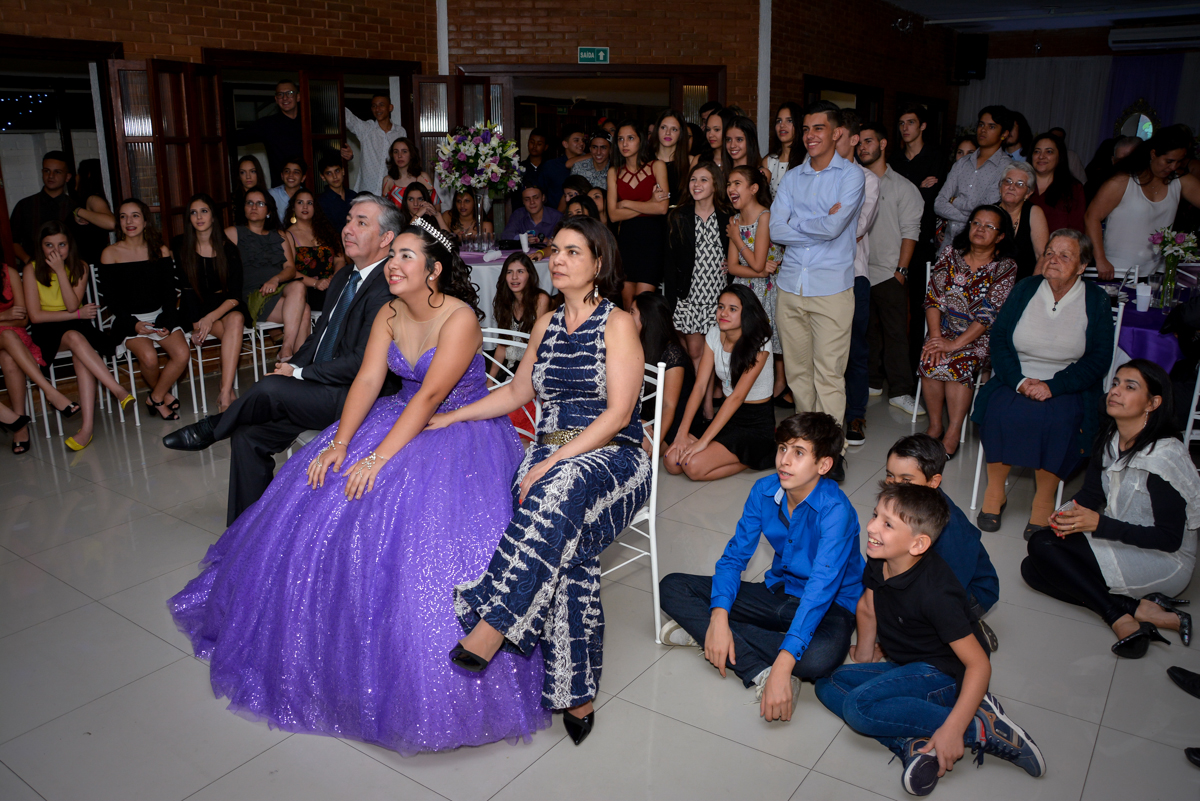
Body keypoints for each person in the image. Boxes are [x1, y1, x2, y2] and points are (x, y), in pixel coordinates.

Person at [168, 217, 548, 755]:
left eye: (407, 256)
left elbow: (429, 397)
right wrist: (344, 443)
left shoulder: (460, 318)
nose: (394, 264)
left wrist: (379, 456)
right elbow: (369, 379)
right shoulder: (388, 311)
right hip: (397, 414)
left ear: (434, 271)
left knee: (403, 522)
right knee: (327, 485)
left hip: (455, 430)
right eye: (392, 256)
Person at [441, 216, 652, 746]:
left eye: (572, 251)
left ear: (598, 263)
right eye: (554, 250)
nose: (557, 259)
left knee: (558, 488)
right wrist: (452, 416)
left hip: (614, 457)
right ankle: (575, 691)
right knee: (566, 546)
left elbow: (618, 414)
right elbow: (518, 394)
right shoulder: (545, 324)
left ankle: (494, 620)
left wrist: (554, 460)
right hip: (548, 458)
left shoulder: (618, 324)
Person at [163, 194, 406, 523]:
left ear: (386, 238)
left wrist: (299, 374)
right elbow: (319, 337)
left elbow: (361, 363)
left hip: (359, 397)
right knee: (247, 437)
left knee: (270, 388)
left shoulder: (387, 286)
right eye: (349, 220)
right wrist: (293, 364)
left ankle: (213, 427)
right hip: (320, 389)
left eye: (361, 223)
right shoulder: (344, 277)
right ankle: (248, 527)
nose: (348, 229)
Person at [815, 483, 1046, 797]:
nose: (871, 527)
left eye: (887, 524)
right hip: (909, 664)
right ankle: (911, 743)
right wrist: (864, 655)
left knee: (858, 708)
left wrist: (953, 729)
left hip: (945, 673)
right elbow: (868, 606)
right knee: (828, 683)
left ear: (918, 544)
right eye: (875, 515)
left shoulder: (937, 593)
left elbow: (978, 665)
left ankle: (978, 728)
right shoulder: (881, 556)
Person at [658, 412, 862, 718]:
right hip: (779, 591)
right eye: (782, 448)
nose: (784, 461)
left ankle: (705, 632)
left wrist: (784, 666)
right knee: (672, 587)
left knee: (818, 659)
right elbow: (734, 558)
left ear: (823, 465)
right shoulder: (764, 490)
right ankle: (755, 666)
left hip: (829, 607)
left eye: (798, 452)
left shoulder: (836, 511)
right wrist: (719, 617)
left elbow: (820, 590)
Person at [1024, 359, 1200, 658]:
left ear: (1153, 403)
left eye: (1130, 387)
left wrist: (1099, 524)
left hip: (1164, 560)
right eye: (1116, 383)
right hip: (1122, 536)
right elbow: (1092, 493)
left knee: (1042, 547)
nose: (1115, 391)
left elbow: (1169, 540)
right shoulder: (1110, 437)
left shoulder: (1163, 458)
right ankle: (1139, 609)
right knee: (1032, 569)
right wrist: (1066, 513)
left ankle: (1118, 618)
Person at [972, 229, 1114, 538]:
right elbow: (999, 341)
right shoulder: (1026, 288)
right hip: (1017, 376)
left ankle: (1043, 500)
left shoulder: (1095, 299)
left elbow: (1100, 357)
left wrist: (1054, 386)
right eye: (1049, 253)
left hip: (1068, 383)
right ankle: (995, 492)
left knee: (1061, 421)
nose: (1053, 260)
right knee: (998, 412)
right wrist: (1020, 382)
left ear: (1082, 266)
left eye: (1065, 255)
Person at [769, 100, 866, 482]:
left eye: (818, 128)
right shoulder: (793, 177)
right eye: (806, 129)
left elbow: (834, 228)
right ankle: (806, 448)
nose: (810, 135)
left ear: (837, 132)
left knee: (828, 375)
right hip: (791, 285)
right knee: (798, 375)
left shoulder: (851, 176)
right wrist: (820, 220)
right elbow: (776, 229)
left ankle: (830, 454)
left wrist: (801, 222)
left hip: (831, 288)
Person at [885, 434, 1001, 651]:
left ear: (933, 482)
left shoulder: (948, 527)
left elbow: (951, 586)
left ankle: (972, 629)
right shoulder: (902, 505)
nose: (895, 486)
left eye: (906, 480)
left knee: (920, 625)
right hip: (928, 575)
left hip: (970, 591)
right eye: (890, 475)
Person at [919, 205, 1017, 459]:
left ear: (1000, 236)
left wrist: (954, 345)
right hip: (945, 329)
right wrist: (937, 337)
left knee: (959, 362)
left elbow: (988, 315)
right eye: (976, 223)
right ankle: (935, 426)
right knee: (930, 356)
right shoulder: (950, 255)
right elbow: (933, 299)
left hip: (982, 336)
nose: (980, 229)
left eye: (989, 226)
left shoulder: (1005, 267)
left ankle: (953, 431)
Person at [23, 222, 133, 450]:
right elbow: (35, 316)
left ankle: (87, 428)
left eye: (61, 244)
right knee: (75, 338)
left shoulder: (80, 266)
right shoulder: (31, 269)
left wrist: (61, 272)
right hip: (47, 330)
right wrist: (76, 314)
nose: (56, 250)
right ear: (41, 246)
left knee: (79, 347)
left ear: (70, 245)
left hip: (76, 326)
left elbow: (73, 304)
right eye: (49, 245)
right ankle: (117, 390)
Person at [666, 285, 775, 480]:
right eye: (721, 307)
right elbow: (700, 387)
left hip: (755, 424)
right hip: (727, 417)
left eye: (732, 309)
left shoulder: (760, 342)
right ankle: (742, 455)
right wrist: (682, 433)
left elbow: (737, 397)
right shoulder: (714, 334)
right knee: (672, 461)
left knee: (692, 467)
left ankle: (758, 456)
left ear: (746, 313)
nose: (723, 313)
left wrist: (703, 442)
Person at [99, 199, 190, 422]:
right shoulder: (110, 253)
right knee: (149, 358)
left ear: (146, 221)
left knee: (182, 354)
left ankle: (156, 397)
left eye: (135, 215)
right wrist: (134, 324)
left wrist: (166, 319)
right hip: (128, 320)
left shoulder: (160, 250)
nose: (129, 221)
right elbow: (112, 301)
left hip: (159, 315)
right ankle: (163, 397)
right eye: (123, 216)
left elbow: (169, 293)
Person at [858, 121, 924, 414]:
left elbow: (911, 232)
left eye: (869, 141)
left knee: (896, 335)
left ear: (883, 144)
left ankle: (900, 391)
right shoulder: (853, 181)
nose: (863, 147)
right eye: (860, 142)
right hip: (859, 270)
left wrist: (901, 271)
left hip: (889, 272)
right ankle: (872, 382)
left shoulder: (903, 187)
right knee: (866, 333)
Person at [1086, 125, 1200, 280]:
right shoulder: (1123, 180)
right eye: (1169, 161)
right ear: (1153, 154)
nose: (1173, 167)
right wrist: (1100, 260)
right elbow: (1091, 217)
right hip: (1117, 270)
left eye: (1179, 162)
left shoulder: (1179, 180)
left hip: (1157, 272)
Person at [173, 194, 247, 412]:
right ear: (189, 218)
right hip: (195, 306)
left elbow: (235, 295)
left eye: (204, 211)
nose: (199, 217)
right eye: (193, 213)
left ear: (213, 216)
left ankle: (224, 392)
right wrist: (197, 323)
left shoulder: (228, 248)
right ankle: (227, 392)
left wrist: (210, 318)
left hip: (224, 305)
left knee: (237, 318)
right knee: (232, 334)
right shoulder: (180, 245)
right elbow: (186, 290)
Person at [0, 259, 83, 454]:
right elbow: (12, 316)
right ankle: (50, 392)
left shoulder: (9, 272)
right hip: (9, 333)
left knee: (8, 354)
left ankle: (19, 425)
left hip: (12, 337)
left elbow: (23, 319)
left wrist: (9, 319)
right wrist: (3, 316)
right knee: (8, 336)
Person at [892, 105, 947, 393]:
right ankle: (893, 373)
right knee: (893, 312)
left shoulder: (937, 157)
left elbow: (938, 200)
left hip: (923, 244)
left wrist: (915, 192)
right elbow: (896, 199)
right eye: (901, 123)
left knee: (920, 310)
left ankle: (916, 372)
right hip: (893, 243)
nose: (905, 128)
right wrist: (919, 188)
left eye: (910, 122)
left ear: (922, 126)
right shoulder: (894, 159)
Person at [837, 109, 881, 447]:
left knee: (854, 348)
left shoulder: (867, 180)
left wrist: (823, 221)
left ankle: (855, 414)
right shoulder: (809, 175)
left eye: (836, 134)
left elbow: (857, 227)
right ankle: (822, 416)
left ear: (852, 139)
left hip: (853, 275)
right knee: (819, 352)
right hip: (816, 275)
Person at [226, 188, 308, 363]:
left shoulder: (279, 235)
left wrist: (275, 279)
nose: (254, 207)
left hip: (279, 288)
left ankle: (286, 351)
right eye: (249, 203)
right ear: (244, 208)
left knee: (298, 286)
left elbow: (290, 269)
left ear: (269, 210)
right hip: (254, 294)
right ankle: (297, 364)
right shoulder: (233, 233)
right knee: (305, 310)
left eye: (260, 203)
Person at [664, 162, 732, 366]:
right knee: (695, 352)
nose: (696, 184)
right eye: (693, 179)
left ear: (715, 185)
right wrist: (671, 299)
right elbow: (669, 261)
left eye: (703, 180)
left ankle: (713, 388)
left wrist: (733, 263)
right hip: (690, 294)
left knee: (718, 352)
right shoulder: (679, 216)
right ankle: (700, 388)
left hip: (718, 294)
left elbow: (738, 247)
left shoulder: (727, 216)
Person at [726, 165, 785, 396]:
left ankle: (772, 387)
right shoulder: (734, 220)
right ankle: (745, 389)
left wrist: (737, 239)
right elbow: (733, 266)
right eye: (729, 184)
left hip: (766, 291)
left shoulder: (764, 217)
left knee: (767, 342)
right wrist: (758, 273)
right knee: (744, 341)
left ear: (753, 188)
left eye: (737, 183)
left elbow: (758, 263)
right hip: (745, 288)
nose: (731, 188)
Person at [608, 120, 669, 308]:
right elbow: (613, 215)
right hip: (626, 240)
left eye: (630, 138)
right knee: (627, 302)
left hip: (652, 240)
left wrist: (626, 204)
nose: (624, 144)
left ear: (641, 140)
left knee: (643, 303)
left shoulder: (657, 166)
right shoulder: (614, 172)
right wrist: (649, 203)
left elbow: (662, 208)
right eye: (620, 139)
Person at [934, 106, 1014, 247]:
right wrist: (970, 219)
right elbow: (939, 203)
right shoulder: (962, 163)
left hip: (979, 247)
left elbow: (985, 209)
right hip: (948, 245)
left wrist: (954, 201)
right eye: (981, 125)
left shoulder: (1007, 168)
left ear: (1004, 133)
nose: (983, 130)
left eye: (991, 127)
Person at [631, 291, 694, 449]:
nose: (627, 316)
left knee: (637, 446)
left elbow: (668, 406)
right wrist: (636, 420)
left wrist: (655, 445)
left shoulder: (673, 353)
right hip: (643, 418)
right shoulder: (635, 345)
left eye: (632, 312)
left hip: (669, 425)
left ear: (647, 319)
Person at [9, 151, 79, 265]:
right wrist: (29, 261)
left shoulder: (75, 207)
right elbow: (12, 241)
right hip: (32, 268)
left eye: (57, 172)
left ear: (67, 177)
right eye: (47, 171)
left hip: (68, 268)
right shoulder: (25, 205)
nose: (51, 176)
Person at [489, 251, 549, 379]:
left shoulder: (540, 300)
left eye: (520, 272)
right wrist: (490, 379)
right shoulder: (505, 301)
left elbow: (538, 345)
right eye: (509, 272)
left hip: (535, 367)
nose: (514, 277)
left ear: (529, 275)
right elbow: (502, 345)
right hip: (513, 368)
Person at [234, 79, 303, 188]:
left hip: (309, 186)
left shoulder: (308, 123)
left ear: (298, 97)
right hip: (280, 189)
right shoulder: (267, 125)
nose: (285, 98)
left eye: (289, 93)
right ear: (276, 99)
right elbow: (236, 138)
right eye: (280, 94)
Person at [285, 188, 346, 310]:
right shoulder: (287, 235)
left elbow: (340, 260)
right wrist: (315, 283)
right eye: (300, 202)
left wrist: (334, 278)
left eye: (309, 203)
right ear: (293, 207)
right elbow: (290, 271)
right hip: (306, 289)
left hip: (332, 284)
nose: (305, 207)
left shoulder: (327, 230)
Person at [341, 92, 406, 195]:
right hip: (367, 191)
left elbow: (405, 159)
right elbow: (347, 118)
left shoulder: (400, 132)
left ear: (390, 107)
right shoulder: (366, 129)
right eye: (374, 106)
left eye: (381, 105)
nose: (377, 109)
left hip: (390, 191)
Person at [997, 161, 1049, 283]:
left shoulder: (1034, 212)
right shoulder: (989, 212)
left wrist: (1029, 288)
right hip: (989, 283)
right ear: (1000, 187)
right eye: (1008, 181)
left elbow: (1042, 255)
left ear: (1029, 193)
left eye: (1019, 184)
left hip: (1023, 283)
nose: (1011, 187)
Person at [1029, 132, 1087, 234]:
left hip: (1060, 243)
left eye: (1049, 152)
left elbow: (1077, 229)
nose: (1041, 156)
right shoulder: (1020, 184)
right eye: (1037, 151)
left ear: (1059, 156)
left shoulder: (1073, 188)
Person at [70, 158, 116, 267]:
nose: (76, 177)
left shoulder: (93, 199)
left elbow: (112, 223)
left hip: (92, 263)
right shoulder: (86, 199)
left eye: (79, 172)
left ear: (88, 175)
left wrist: (78, 211)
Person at [540, 125, 589, 210]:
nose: (581, 143)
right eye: (576, 140)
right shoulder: (551, 166)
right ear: (565, 144)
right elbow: (541, 192)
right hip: (554, 214)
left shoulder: (588, 164)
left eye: (583, 140)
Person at [649, 109, 691, 205]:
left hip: (681, 212)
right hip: (650, 212)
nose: (668, 132)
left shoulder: (690, 161)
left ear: (681, 133)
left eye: (674, 129)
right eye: (663, 127)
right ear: (657, 130)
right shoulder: (645, 159)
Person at [382, 137, 437, 209]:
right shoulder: (388, 180)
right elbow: (384, 210)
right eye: (396, 152)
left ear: (411, 154)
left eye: (404, 151)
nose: (399, 155)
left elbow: (436, 207)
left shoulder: (423, 177)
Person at [764, 101, 804, 197]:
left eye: (789, 121)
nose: (782, 125)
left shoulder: (807, 160)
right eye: (779, 121)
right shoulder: (769, 161)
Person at [724, 116, 766, 183]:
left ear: (751, 141)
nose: (732, 145)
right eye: (728, 140)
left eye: (739, 140)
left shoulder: (761, 173)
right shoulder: (720, 173)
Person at [232, 155, 269, 226]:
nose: (248, 176)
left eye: (253, 171)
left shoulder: (267, 197)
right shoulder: (232, 201)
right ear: (239, 176)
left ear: (258, 173)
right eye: (243, 172)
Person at [516, 128, 549, 209]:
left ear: (545, 147)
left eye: (539, 144)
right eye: (532, 142)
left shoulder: (550, 167)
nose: (534, 146)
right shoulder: (519, 167)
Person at [317, 156, 353, 227]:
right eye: (329, 173)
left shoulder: (353, 196)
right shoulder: (321, 202)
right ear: (323, 177)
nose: (335, 176)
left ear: (343, 171)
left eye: (337, 171)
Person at [699, 108, 734, 172]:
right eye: (708, 129)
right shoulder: (699, 159)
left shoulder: (738, 160)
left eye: (716, 130)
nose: (710, 135)